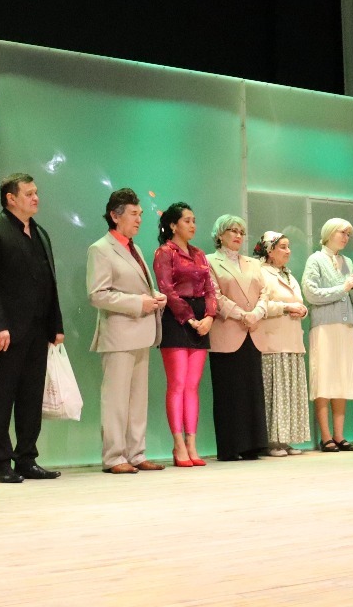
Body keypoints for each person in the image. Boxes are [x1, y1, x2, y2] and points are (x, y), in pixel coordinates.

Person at [0, 173, 65, 483]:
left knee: (30, 398)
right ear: (10, 198)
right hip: (6, 332)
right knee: (1, 397)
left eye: (36, 192)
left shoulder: (41, 233)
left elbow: (50, 282)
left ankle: (26, 458)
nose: (36, 198)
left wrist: (56, 324)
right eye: (28, 193)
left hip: (38, 330)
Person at [86, 187, 166, 475]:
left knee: (137, 399)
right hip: (119, 334)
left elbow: (137, 286)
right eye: (133, 214)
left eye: (140, 214)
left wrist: (154, 296)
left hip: (141, 331)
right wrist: (139, 303)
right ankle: (114, 456)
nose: (139, 219)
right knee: (116, 399)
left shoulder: (135, 248)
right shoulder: (100, 249)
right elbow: (98, 294)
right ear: (115, 215)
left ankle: (136, 453)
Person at [152, 202, 215, 468]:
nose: (192, 225)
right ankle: (178, 444)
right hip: (176, 318)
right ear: (173, 225)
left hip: (201, 318)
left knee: (192, 385)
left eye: (194, 220)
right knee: (177, 383)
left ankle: (192, 443)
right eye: (187, 220)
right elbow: (166, 289)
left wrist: (209, 316)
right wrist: (189, 318)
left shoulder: (199, 254)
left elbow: (210, 288)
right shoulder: (165, 252)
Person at [205, 214, 270, 462]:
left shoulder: (253, 263)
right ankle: (231, 446)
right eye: (232, 231)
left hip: (252, 330)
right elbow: (214, 294)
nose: (238, 236)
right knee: (229, 392)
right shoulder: (210, 261)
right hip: (227, 330)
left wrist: (257, 313)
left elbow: (265, 293)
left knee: (252, 389)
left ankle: (253, 445)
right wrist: (242, 314)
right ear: (219, 234)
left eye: (241, 232)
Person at [301, 218, 353, 453]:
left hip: (345, 326)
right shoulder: (315, 259)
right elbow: (311, 293)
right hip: (324, 326)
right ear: (329, 233)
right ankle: (325, 436)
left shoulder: (347, 262)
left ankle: (339, 435)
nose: (345, 238)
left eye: (348, 234)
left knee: (342, 378)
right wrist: (343, 287)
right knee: (324, 378)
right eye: (342, 233)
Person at [253, 231, 311, 456]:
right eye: (283, 247)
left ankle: (285, 439)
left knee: (289, 392)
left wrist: (302, 310)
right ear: (270, 250)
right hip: (273, 341)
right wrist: (285, 308)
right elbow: (260, 305)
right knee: (275, 392)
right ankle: (271, 441)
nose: (288, 251)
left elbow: (299, 302)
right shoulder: (261, 272)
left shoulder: (288, 274)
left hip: (293, 340)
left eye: (288, 246)